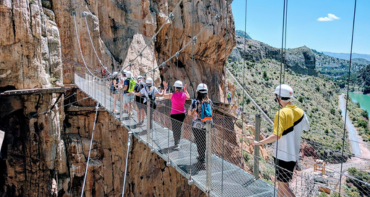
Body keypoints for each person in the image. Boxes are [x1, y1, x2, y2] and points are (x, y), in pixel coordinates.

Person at [247, 84, 310, 197]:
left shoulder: (281, 113)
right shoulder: (301, 112)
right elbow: (307, 127)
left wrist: (259, 142)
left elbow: (276, 136)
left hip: (282, 156)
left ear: (279, 98)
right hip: (293, 156)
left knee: (283, 186)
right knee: (281, 185)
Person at [189, 83, 213, 166]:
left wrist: (194, 111)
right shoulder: (209, 102)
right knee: (204, 142)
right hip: (206, 125)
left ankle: (202, 159)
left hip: (196, 125)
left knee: (199, 141)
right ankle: (202, 157)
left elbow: (189, 112)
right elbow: (211, 112)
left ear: (197, 92)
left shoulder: (195, 102)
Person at [163, 80, 190, 150]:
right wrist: (185, 90)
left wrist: (165, 87)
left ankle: (177, 143)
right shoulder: (184, 94)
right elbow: (189, 97)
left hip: (174, 114)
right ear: (181, 88)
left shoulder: (172, 95)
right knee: (179, 128)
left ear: (175, 88)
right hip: (182, 114)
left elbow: (164, 95)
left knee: (175, 129)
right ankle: (177, 142)